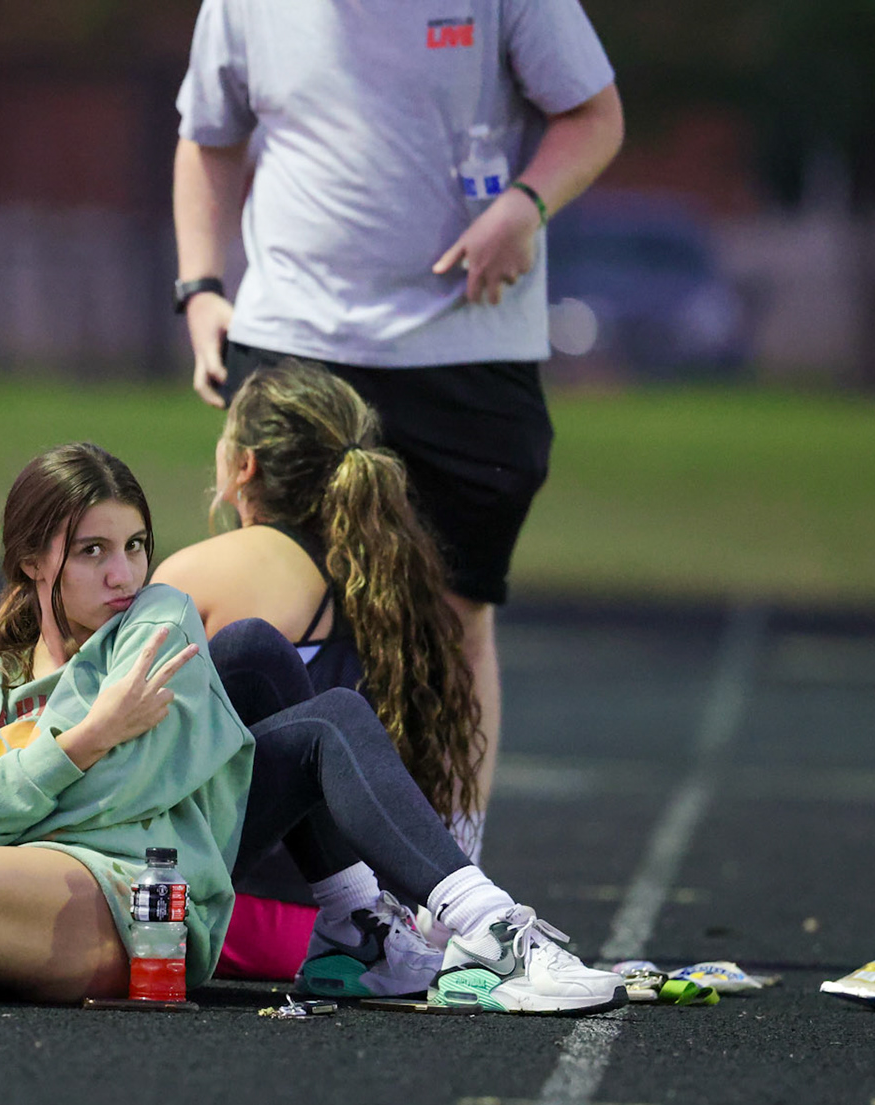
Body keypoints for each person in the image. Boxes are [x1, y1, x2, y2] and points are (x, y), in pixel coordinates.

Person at [0, 444, 623, 1014]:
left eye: (134, 545)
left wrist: (34, 774)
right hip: (37, 893)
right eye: (93, 550)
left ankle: (484, 925)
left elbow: (103, 802)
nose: (124, 572)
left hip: (150, 901)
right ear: (35, 562)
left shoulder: (164, 624)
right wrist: (88, 740)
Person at [171, 0, 626, 880]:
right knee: (271, 602)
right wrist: (199, 284)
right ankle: (286, 886)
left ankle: (451, 881)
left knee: (452, 614)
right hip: (295, 332)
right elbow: (208, 133)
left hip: (467, 341)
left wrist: (527, 206)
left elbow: (595, 114)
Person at [153, 360, 484, 979]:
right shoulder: (393, 573)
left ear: (244, 465)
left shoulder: (206, 570)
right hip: (372, 917)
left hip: (238, 913)